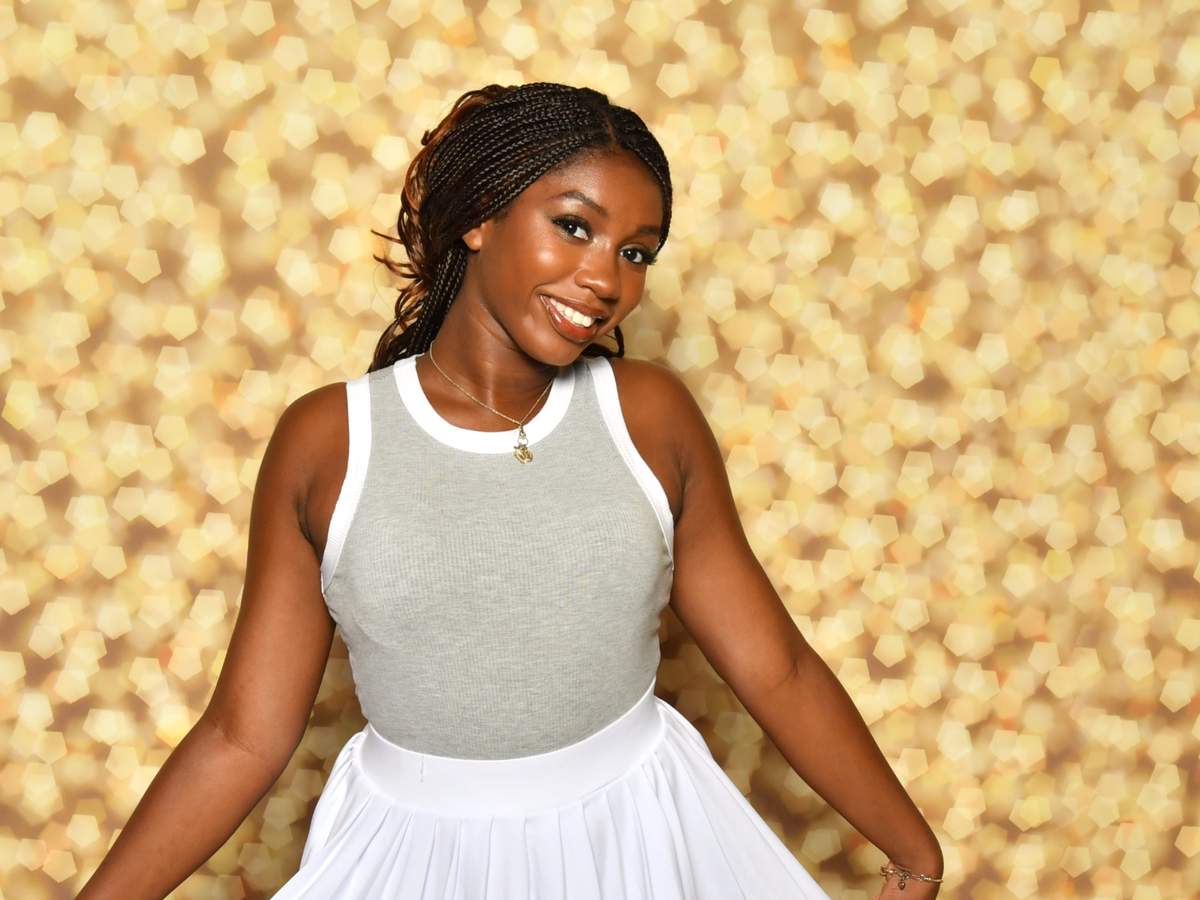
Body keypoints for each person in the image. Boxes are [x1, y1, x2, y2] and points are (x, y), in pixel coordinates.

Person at [78, 83, 944, 900]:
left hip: (637, 834)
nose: (606, 279)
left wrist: (912, 849)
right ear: (481, 216)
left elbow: (776, 667)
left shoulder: (650, 418)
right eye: (574, 227)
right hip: (417, 855)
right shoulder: (329, 443)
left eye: (635, 253)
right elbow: (243, 736)